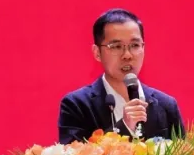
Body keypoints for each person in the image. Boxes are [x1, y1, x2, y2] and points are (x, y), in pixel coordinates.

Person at [57, 8, 185, 144]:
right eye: (116, 47)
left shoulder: (166, 105)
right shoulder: (76, 105)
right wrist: (124, 126)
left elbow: (184, 154)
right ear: (97, 52)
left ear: (143, 48)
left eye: (135, 45)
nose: (127, 55)